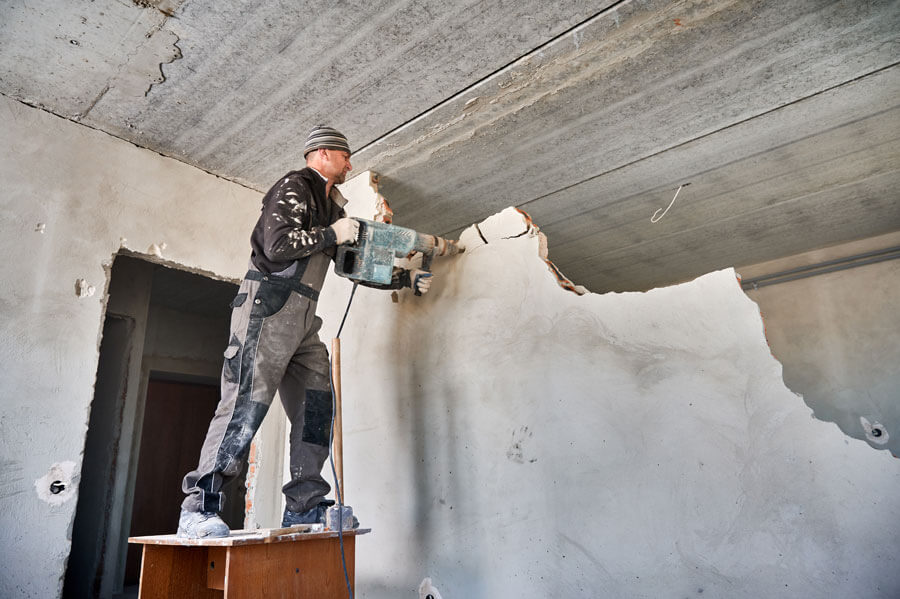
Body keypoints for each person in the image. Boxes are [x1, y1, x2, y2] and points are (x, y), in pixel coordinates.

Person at [177, 126, 432, 538]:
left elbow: (350, 264)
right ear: (323, 153)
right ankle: (198, 507)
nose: (351, 164)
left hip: (303, 320)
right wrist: (333, 233)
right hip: (268, 308)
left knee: (317, 408)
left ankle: (305, 506)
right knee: (245, 407)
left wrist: (404, 279)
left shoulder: (330, 206)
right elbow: (277, 246)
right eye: (345, 156)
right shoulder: (295, 185)